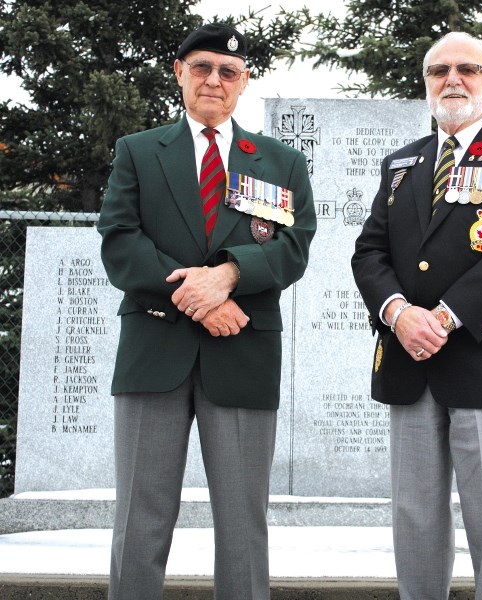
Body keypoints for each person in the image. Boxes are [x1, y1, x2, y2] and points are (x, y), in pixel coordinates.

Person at [98, 22, 316, 600]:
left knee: (244, 522)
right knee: (140, 516)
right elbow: (120, 241)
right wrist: (197, 301)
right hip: (154, 351)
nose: (214, 80)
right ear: (179, 74)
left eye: (228, 72)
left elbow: (293, 247)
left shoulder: (279, 162)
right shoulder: (139, 152)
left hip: (242, 353)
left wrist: (229, 275)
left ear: (244, 83)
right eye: (202, 68)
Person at [351, 31, 482, 599]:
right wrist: (398, 314)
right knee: (415, 520)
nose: (453, 79)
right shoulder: (402, 164)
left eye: (469, 69)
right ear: (426, 84)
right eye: (439, 70)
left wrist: (441, 318)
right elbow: (370, 251)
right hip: (408, 362)